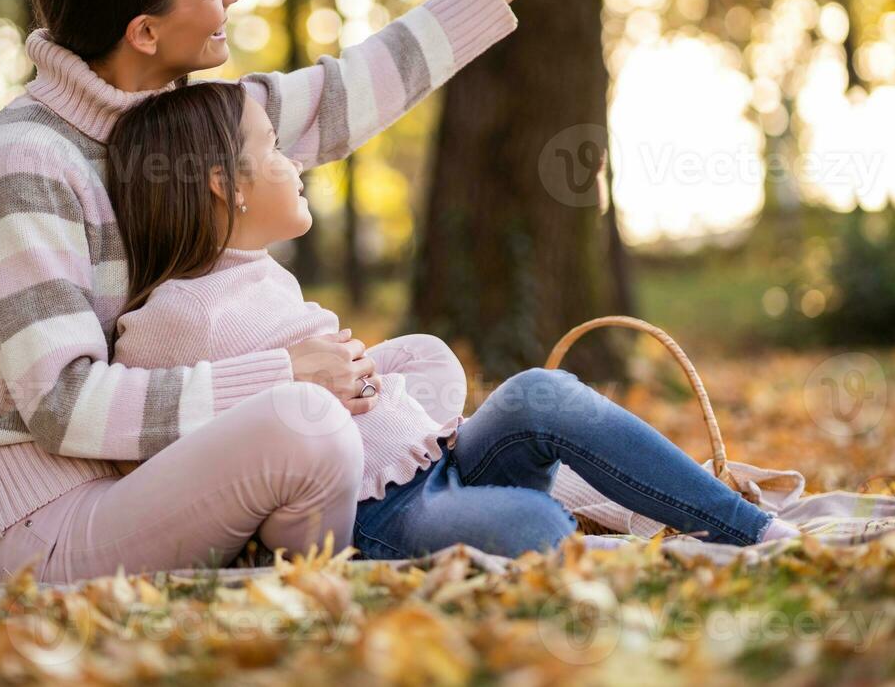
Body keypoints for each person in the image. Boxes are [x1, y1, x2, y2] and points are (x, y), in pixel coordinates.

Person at [0, 0, 589, 582]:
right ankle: (383, 545)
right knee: (305, 427)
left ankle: (521, 505)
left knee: (413, 365)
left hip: (156, 474)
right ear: (146, 32)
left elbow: (360, 85)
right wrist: (285, 376)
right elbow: (64, 405)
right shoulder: (27, 165)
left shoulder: (186, 124)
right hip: (52, 522)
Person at [99, 81, 797, 561]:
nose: (294, 162)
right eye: (275, 148)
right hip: (382, 517)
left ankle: (753, 530)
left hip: (444, 458)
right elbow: (160, 459)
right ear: (225, 182)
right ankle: (574, 535)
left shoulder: (258, 270)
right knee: (537, 524)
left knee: (540, 392)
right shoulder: (171, 317)